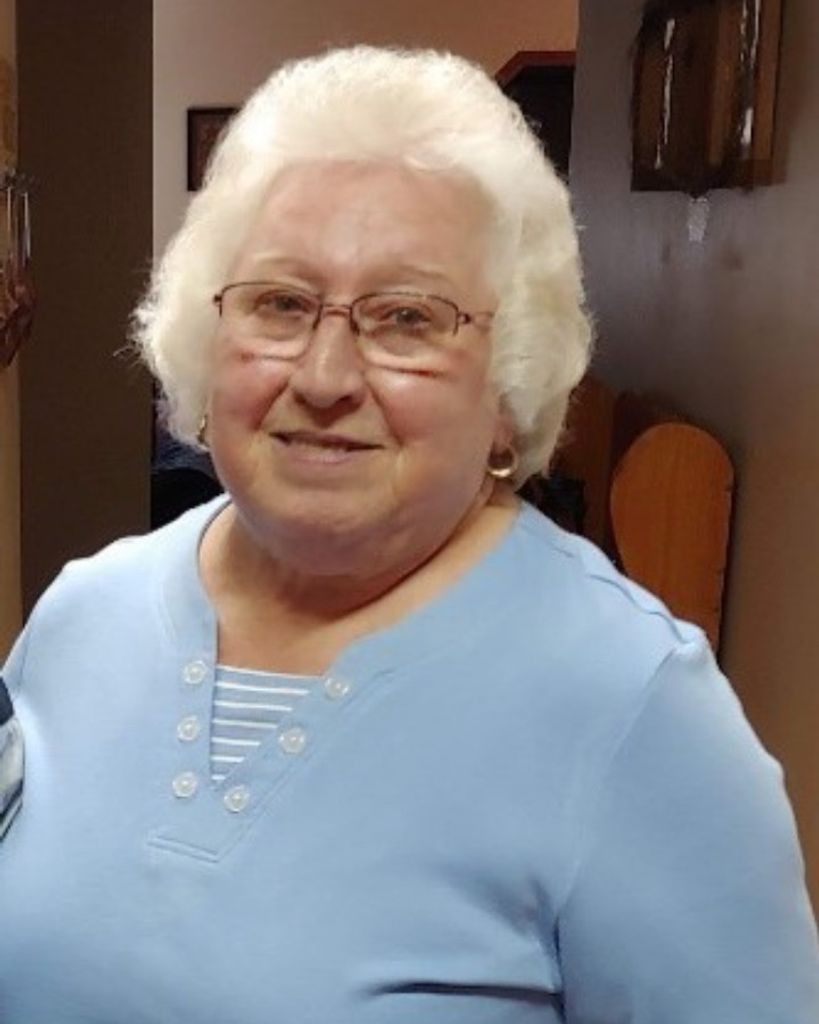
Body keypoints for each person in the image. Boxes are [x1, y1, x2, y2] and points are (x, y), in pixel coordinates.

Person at [0, 45, 817, 1024]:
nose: (325, 376)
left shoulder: (635, 704)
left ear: (509, 385)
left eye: (405, 319)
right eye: (280, 304)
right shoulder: (82, 616)